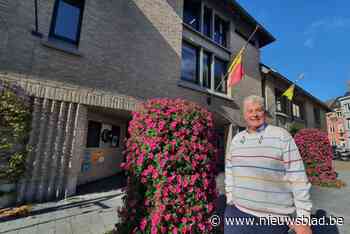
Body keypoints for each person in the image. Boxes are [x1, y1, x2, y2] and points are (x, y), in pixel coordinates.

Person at [224, 95, 312, 234]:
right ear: (244, 114)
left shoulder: (281, 136)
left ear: (264, 112)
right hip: (237, 214)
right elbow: (229, 170)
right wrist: (230, 197)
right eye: (250, 110)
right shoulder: (236, 139)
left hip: (272, 222)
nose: (254, 114)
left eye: (258, 110)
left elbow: (298, 177)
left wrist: (303, 218)